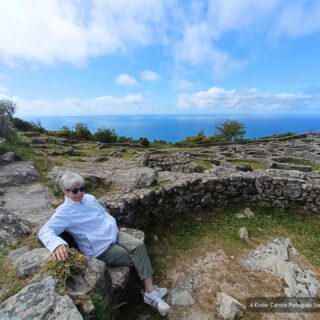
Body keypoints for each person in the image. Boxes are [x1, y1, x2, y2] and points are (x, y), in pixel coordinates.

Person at [38, 170, 170, 316]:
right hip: (101, 248)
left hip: (114, 234)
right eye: (75, 190)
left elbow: (104, 214)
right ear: (65, 192)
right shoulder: (64, 212)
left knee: (139, 246)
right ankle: (150, 293)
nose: (80, 193)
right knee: (134, 256)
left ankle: (150, 290)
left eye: (82, 188)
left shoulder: (90, 199)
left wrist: (111, 224)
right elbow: (45, 230)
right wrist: (56, 244)